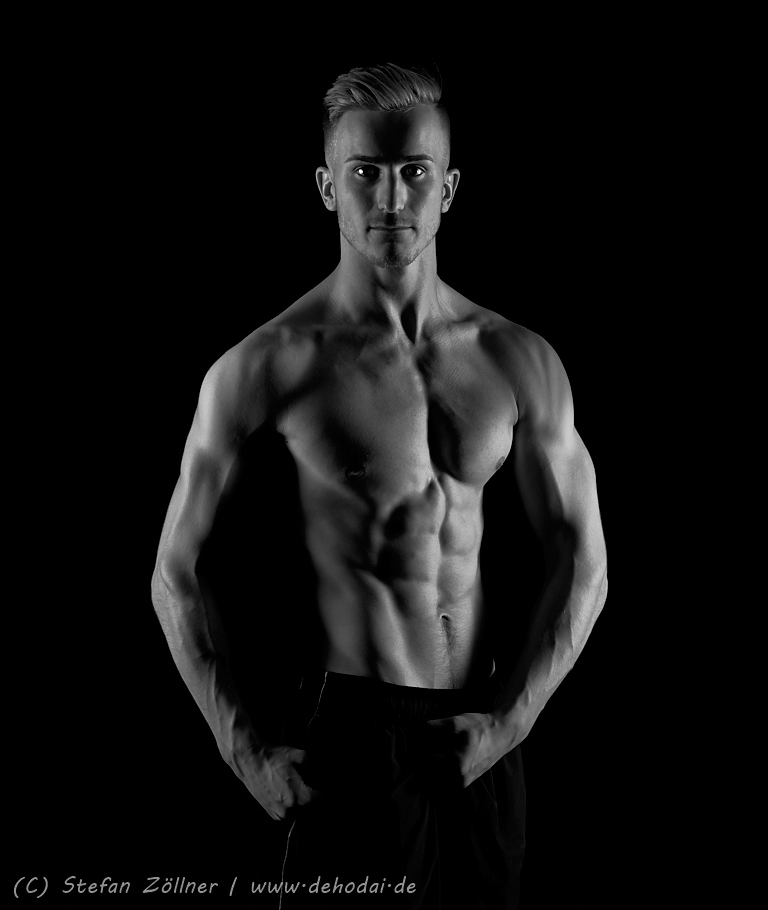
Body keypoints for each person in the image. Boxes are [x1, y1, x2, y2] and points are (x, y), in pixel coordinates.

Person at [151, 63, 608, 908]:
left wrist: (509, 724)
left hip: (479, 735)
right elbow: (174, 573)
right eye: (365, 172)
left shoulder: (518, 360)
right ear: (328, 187)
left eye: (415, 172)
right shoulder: (265, 366)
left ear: (449, 189)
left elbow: (585, 562)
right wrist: (240, 748)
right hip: (351, 744)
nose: (392, 198)